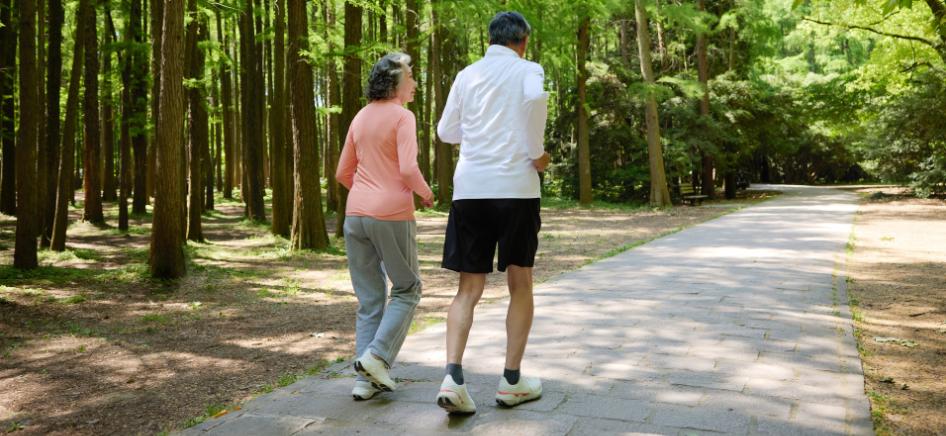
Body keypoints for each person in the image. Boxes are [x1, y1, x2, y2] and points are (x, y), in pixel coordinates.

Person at [434, 11, 550, 414]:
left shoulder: (467, 75)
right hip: (516, 189)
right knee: (520, 281)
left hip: (470, 190)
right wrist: (536, 153)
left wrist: (483, 132)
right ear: (523, 41)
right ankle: (511, 381)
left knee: (468, 288)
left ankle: (452, 377)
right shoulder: (528, 70)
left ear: (491, 39)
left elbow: (446, 132)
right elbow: (536, 99)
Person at [336, 52, 434, 401]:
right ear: (394, 82)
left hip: (355, 214)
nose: (416, 82)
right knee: (408, 289)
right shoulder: (402, 117)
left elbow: (342, 173)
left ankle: (364, 381)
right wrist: (426, 193)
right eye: (411, 76)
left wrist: (367, 195)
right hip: (391, 214)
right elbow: (408, 169)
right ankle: (376, 357)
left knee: (370, 299)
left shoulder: (360, 117)